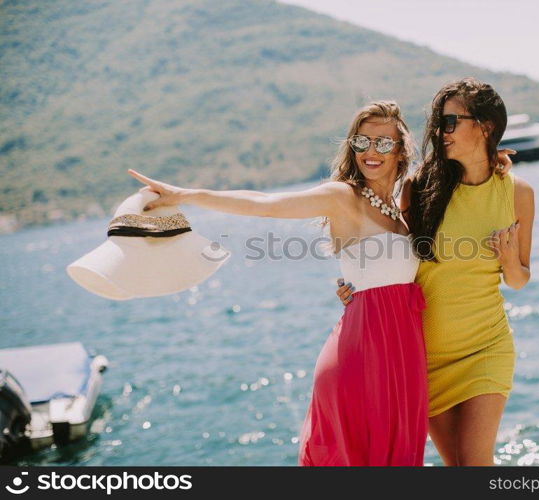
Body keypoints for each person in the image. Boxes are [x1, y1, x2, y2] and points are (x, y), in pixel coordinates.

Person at [127, 101, 430, 466]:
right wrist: (185, 195)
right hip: (362, 356)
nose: (371, 152)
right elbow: (266, 203)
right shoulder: (342, 196)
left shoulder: (397, 208)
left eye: (383, 143)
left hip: (402, 354)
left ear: (401, 150)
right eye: (362, 142)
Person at [336, 77, 535, 466]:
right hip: (422, 357)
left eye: (450, 122)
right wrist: (357, 285)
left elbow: (519, 278)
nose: (440, 132)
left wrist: (510, 261)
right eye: (438, 123)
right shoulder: (419, 187)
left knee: (475, 463)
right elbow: (398, 260)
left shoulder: (517, 193)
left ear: (486, 125)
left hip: (486, 348)